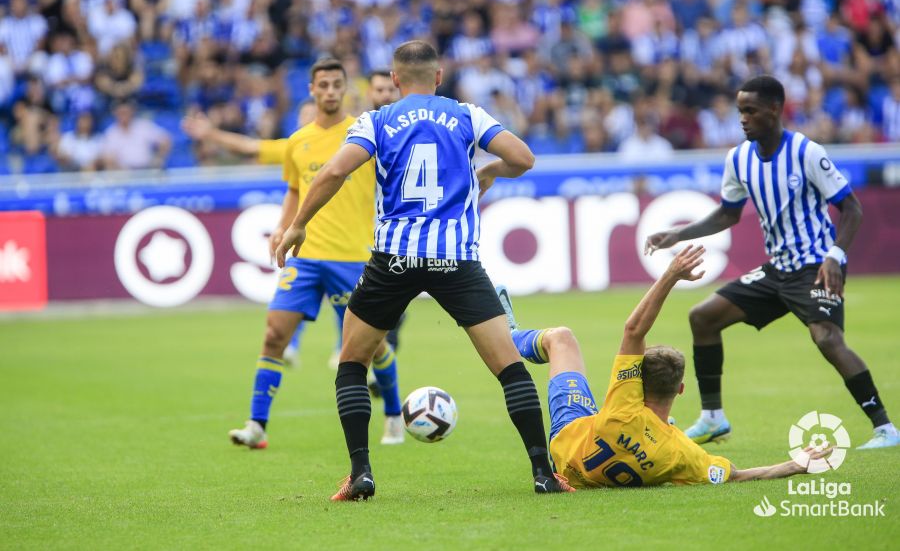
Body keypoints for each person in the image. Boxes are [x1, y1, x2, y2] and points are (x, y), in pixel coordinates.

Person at [276, 40, 571, 500]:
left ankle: (361, 475)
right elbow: (524, 158)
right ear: (439, 76)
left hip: (393, 260)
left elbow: (333, 173)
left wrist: (297, 225)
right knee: (510, 368)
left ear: (394, 80)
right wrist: (490, 171)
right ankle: (543, 473)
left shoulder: (377, 120)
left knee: (352, 363)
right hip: (455, 260)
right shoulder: (466, 115)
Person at [645, 75, 898, 451]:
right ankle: (713, 417)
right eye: (739, 112)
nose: (743, 119)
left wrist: (835, 255)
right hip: (778, 269)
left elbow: (852, 208)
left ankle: (885, 429)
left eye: (750, 111)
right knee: (703, 317)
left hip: (816, 266)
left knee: (827, 338)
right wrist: (679, 234)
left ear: (775, 109)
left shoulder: (806, 152)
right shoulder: (739, 158)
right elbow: (728, 215)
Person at [498, 245, 834, 488]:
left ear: (636, 384)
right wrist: (795, 464)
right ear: (681, 388)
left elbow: (634, 330)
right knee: (663, 426)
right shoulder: (680, 452)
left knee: (561, 338)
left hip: (566, 441)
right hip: (603, 458)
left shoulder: (624, 404)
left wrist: (671, 275)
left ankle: (509, 336)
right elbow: (738, 475)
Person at [227, 58, 405, 450]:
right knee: (274, 334)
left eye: (335, 84)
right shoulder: (298, 140)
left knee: (373, 346)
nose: (329, 91)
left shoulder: (365, 132)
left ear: (345, 88)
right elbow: (294, 189)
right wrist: (282, 225)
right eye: (322, 85)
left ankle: (393, 414)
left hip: (355, 257)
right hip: (307, 256)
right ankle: (257, 426)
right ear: (311, 89)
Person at [182, 71, 403, 371]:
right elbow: (277, 174)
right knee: (288, 316)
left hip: (359, 246)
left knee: (369, 334)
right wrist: (210, 134)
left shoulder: (360, 136)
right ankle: (287, 372)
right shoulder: (297, 145)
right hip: (310, 249)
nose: (310, 119)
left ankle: (369, 372)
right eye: (305, 116)